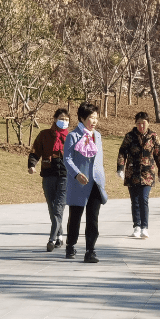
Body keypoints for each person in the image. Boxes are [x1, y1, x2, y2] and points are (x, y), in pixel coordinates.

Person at [63, 102, 108, 262]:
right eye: (91, 118)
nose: (94, 121)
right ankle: (70, 244)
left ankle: (90, 250)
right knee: (75, 217)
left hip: (95, 182)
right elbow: (66, 159)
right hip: (79, 183)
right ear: (82, 118)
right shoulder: (73, 136)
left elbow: (98, 161)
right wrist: (77, 174)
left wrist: (101, 178)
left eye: (96, 118)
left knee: (93, 218)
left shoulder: (98, 136)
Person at [28, 108, 70, 252]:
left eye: (66, 119)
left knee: (59, 207)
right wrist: (32, 165)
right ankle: (60, 235)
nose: (64, 122)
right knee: (52, 207)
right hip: (48, 174)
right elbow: (35, 152)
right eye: (61, 119)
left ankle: (52, 239)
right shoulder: (44, 135)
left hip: (65, 176)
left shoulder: (71, 137)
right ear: (54, 119)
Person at [117, 112, 160, 238]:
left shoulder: (153, 136)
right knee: (135, 200)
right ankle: (136, 226)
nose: (141, 126)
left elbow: (158, 154)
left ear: (148, 123)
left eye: (143, 123)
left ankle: (144, 227)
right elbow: (122, 152)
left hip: (147, 173)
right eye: (138, 123)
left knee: (144, 199)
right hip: (132, 173)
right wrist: (120, 168)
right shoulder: (129, 136)